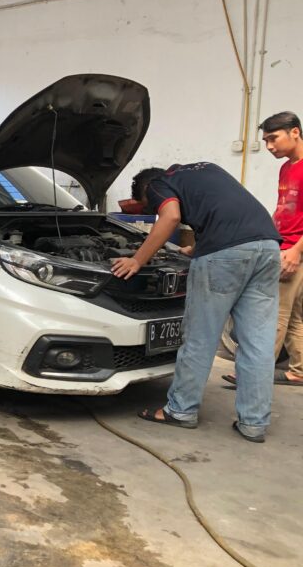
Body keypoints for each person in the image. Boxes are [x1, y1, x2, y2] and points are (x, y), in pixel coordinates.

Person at [112, 163, 281, 443]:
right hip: (268, 248)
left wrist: (137, 259)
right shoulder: (207, 170)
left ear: (145, 190)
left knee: (200, 337)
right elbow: (223, 213)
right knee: (258, 343)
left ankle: (181, 410)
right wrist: (198, 247)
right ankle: (254, 423)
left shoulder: (157, 183)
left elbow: (170, 217)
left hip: (226, 255)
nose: (153, 207)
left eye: (149, 206)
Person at [262, 112, 303, 385]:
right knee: (295, 316)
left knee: (273, 314)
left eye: (273, 138)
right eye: (265, 140)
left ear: (295, 132)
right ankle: (299, 371)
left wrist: (296, 250)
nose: (269, 146)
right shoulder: (287, 167)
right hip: (284, 244)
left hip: (294, 248)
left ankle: (254, 372)